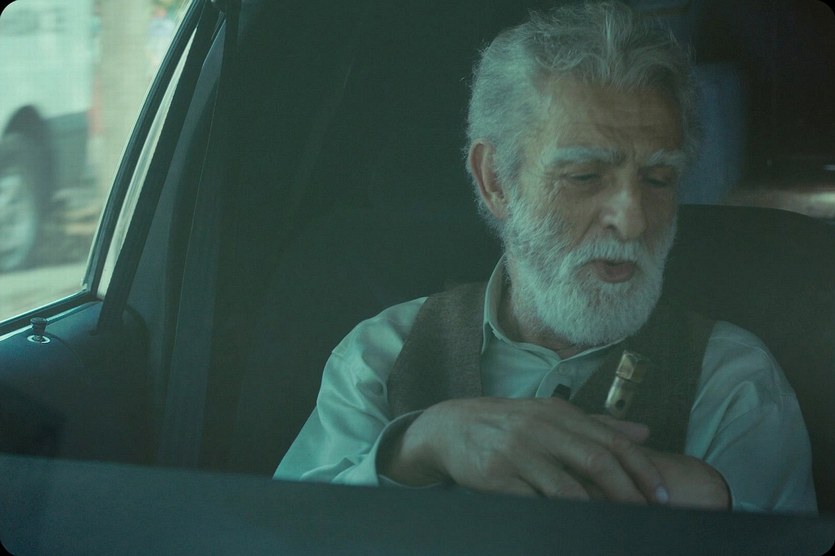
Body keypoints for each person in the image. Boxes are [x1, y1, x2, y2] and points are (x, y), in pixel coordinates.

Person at [275, 1, 816, 513]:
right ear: (496, 181)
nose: (633, 221)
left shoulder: (733, 386)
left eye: (657, 179)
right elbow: (282, 532)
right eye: (585, 176)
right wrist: (415, 449)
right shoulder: (380, 357)